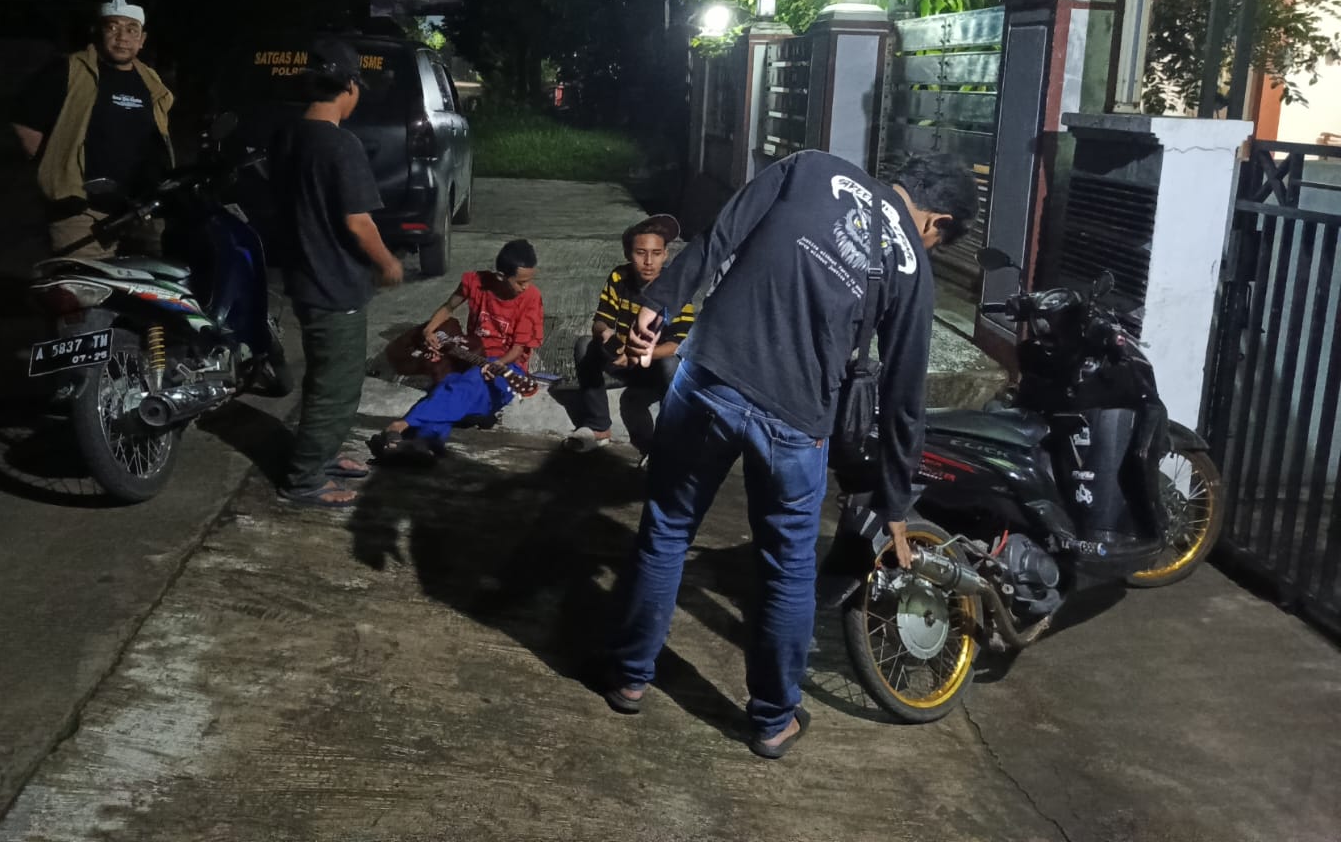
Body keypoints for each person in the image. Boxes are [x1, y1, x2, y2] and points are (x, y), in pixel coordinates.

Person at [602, 149, 978, 760]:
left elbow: (720, 234)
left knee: (667, 529)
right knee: (787, 569)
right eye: (937, 239)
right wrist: (895, 499)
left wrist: (663, 298)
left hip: (711, 375)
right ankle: (773, 721)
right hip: (796, 423)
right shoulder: (912, 265)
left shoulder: (811, 168)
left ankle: (628, 678)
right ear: (938, 222)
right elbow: (904, 393)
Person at [271, 37, 404, 508]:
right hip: (335, 285)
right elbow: (357, 222)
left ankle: (322, 455)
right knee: (337, 388)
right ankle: (304, 478)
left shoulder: (288, 135)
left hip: (305, 277)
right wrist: (387, 262)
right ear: (349, 86)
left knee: (324, 378)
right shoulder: (340, 144)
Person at [12, 0, 173, 257]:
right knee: (83, 281)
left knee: (149, 280)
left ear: (142, 39)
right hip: (83, 212)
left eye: (132, 29)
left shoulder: (150, 81)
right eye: (113, 27)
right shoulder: (69, 70)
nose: (122, 37)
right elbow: (26, 123)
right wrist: (57, 170)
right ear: (97, 32)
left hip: (142, 209)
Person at [369, 240, 543, 463]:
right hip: (472, 355)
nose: (526, 287)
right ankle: (425, 443)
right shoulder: (476, 282)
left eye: (529, 281)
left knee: (465, 384)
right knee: (450, 383)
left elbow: (518, 348)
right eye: (520, 282)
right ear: (501, 276)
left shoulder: (531, 298)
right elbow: (449, 307)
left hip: (507, 368)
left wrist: (498, 363)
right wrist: (429, 331)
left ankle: (400, 426)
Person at [566, 215, 696, 453]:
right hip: (622, 360)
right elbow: (601, 321)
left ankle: (668, 444)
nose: (649, 261)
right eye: (640, 253)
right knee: (585, 345)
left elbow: (680, 344)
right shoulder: (619, 277)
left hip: (655, 366)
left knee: (672, 365)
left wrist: (640, 355)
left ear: (665, 254)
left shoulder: (675, 288)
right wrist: (606, 335)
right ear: (628, 254)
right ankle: (598, 427)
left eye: (656, 253)